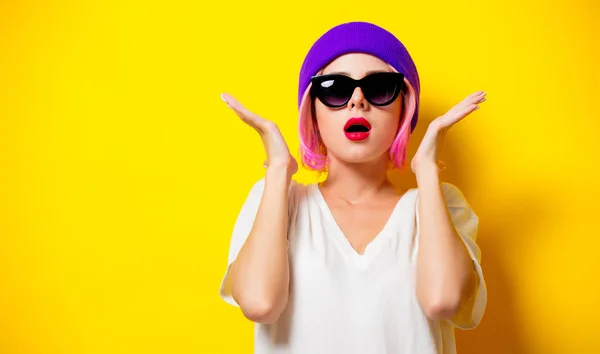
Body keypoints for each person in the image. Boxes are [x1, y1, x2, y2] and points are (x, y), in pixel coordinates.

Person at [218, 21, 487, 354]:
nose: (357, 101)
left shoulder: (441, 205)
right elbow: (259, 303)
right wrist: (277, 169)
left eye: (379, 87)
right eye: (334, 88)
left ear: (404, 108)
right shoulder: (275, 200)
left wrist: (427, 168)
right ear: (311, 111)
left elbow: (442, 300)